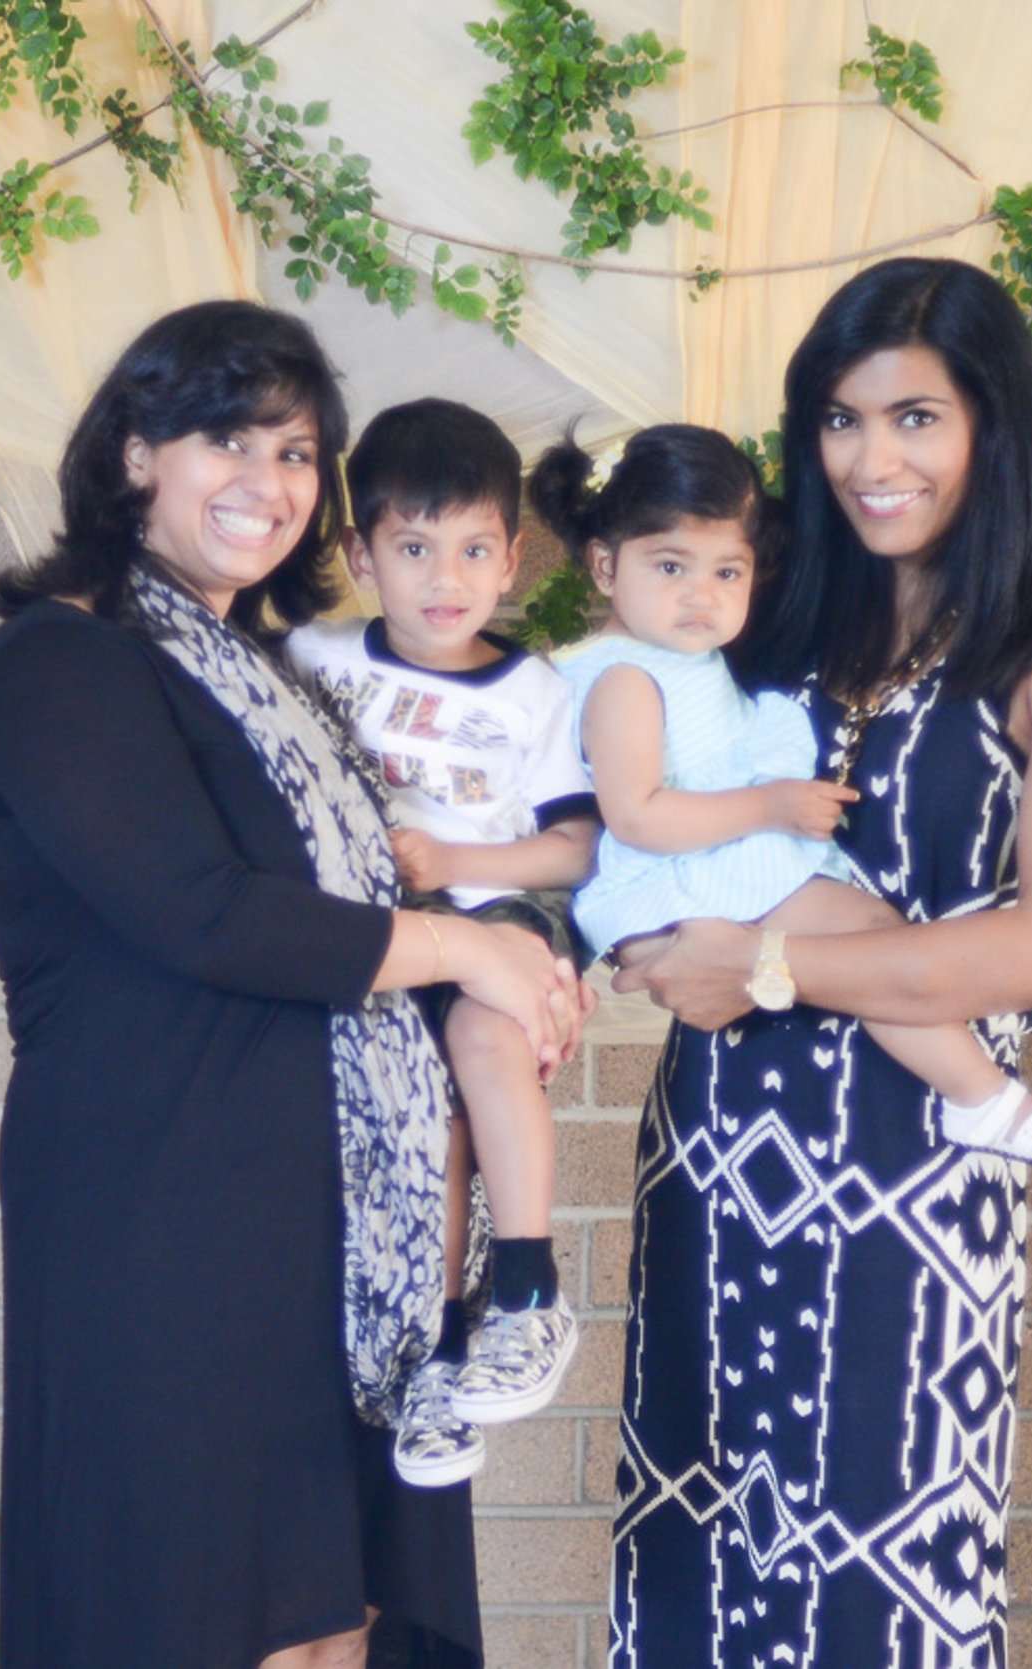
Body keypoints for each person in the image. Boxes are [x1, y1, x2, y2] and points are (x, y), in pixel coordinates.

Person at [0, 302, 585, 1669]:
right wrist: (467, 946)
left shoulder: (276, 681)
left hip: (339, 1227)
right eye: (225, 440)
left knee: (330, 1618)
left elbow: (374, 908)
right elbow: (204, 914)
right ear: (136, 454)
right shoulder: (57, 662)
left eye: (298, 454)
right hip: (167, 1210)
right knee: (197, 1608)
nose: (268, 483)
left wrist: (514, 978)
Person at [604, 258, 1032, 1665]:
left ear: (990, 428)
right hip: (718, 1153)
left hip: (916, 1166)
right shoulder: (764, 610)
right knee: (694, 1567)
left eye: (915, 418)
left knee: (879, 1580)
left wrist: (767, 964)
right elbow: (638, 811)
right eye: (839, 420)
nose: (871, 458)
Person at [533, 423, 1032, 1169]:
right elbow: (637, 815)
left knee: (867, 935)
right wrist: (769, 807)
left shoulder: (675, 657)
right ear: (605, 567)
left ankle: (977, 1094)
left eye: (727, 573)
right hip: (684, 873)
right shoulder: (625, 679)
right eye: (670, 566)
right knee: (873, 932)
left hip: (711, 862)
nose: (700, 597)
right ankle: (984, 1098)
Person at [285, 398, 600, 1488]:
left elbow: (572, 849)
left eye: (471, 548)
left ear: (512, 559)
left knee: (481, 1041)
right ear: (358, 553)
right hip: (381, 937)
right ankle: (433, 1358)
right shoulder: (317, 658)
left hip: (492, 915)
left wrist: (460, 868)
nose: (443, 576)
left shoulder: (533, 692)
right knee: (426, 1126)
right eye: (412, 548)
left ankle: (526, 1286)